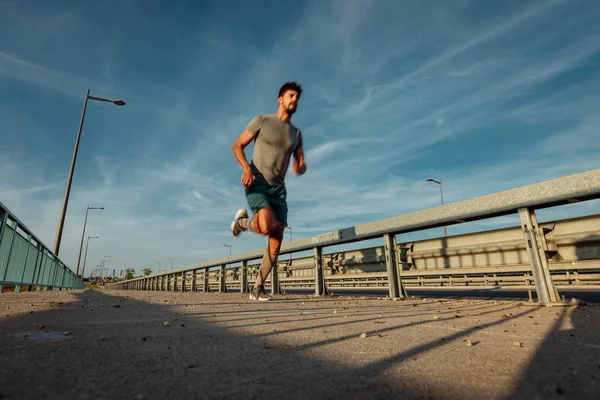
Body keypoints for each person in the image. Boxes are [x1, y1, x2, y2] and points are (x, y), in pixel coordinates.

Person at [231, 81, 307, 301]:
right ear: (280, 99)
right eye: (291, 96)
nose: (295, 100)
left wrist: (299, 167)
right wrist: (246, 167)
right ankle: (241, 223)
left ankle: (256, 289)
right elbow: (237, 145)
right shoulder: (262, 121)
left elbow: (301, 161)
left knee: (277, 238)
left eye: (297, 98)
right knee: (265, 226)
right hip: (257, 182)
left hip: (279, 190)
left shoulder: (296, 133)